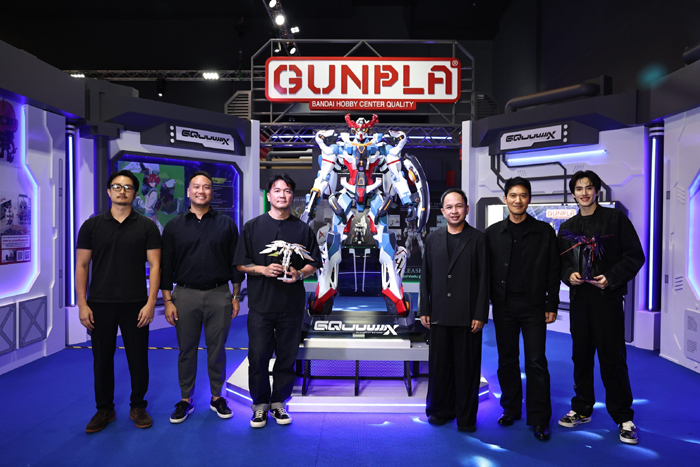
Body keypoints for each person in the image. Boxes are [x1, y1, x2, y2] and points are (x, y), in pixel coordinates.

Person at [557, 170, 645, 445]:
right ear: (573, 193)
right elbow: (561, 263)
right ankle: (582, 408)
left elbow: (635, 256)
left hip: (607, 300)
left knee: (612, 359)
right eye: (579, 188)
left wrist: (612, 277)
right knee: (581, 357)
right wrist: (568, 275)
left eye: (588, 187)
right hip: (580, 301)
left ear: (597, 191)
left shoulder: (615, 219)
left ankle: (623, 417)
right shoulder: (567, 226)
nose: (584, 193)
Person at [76, 170, 161, 433]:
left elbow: (155, 266)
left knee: (138, 358)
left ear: (135, 193)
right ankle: (104, 409)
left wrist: (151, 303)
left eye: (127, 187)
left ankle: (138, 406)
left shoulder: (147, 226)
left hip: (136, 304)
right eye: (116, 186)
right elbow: (81, 265)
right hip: (99, 304)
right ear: (108, 191)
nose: (122, 191)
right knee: (101, 359)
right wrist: (82, 304)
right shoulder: (91, 226)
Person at [234, 174, 321, 428]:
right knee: (258, 357)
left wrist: (299, 273)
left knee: (286, 357)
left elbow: (314, 263)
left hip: (291, 306)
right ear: (269, 195)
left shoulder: (302, 229)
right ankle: (260, 405)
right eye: (277, 190)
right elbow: (240, 264)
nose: (282, 195)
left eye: (287, 191)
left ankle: (279, 403)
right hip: (261, 306)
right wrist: (262, 269)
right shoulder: (252, 227)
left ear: (292, 196)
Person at [160, 171, 245, 424]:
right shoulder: (174, 226)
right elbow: (166, 266)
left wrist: (236, 296)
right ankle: (185, 399)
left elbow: (235, 263)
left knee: (217, 349)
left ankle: (217, 397)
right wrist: (168, 301)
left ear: (211, 192)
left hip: (219, 294)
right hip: (184, 295)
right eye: (196, 187)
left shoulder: (226, 224)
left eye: (206, 187)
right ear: (188, 192)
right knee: (186, 350)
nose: (201, 191)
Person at [485, 177, 560, 441]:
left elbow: (553, 270)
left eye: (523, 195)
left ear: (529, 199)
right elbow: (485, 273)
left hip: (534, 307)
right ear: (505, 198)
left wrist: (552, 303)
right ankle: (510, 408)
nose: (518, 200)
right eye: (513, 195)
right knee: (507, 359)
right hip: (503, 306)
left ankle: (540, 419)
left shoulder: (544, 231)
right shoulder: (492, 233)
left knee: (536, 362)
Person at [419, 188, 489, 432]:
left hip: (468, 317)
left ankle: (466, 418)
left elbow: (484, 279)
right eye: (449, 207)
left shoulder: (478, 239)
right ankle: (440, 411)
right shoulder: (432, 239)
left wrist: (480, 314)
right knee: (440, 367)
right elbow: (426, 277)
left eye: (459, 206)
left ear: (466, 209)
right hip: (439, 314)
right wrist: (424, 308)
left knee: (467, 369)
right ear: (442, 211)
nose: (454, 211)